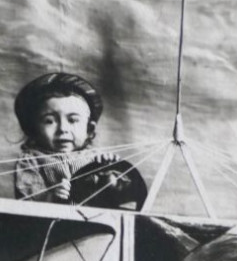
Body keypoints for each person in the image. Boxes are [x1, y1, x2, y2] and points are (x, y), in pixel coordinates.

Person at [13, 72, 147, 210]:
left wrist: (113, 172)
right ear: (32, 128)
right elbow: (27, 203)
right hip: (54, 225)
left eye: (73, 120)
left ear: (89, 128)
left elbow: (120, 194)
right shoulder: (30, 161)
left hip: (95, 222)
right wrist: (51, 197)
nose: (63, 129)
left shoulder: (96, 158)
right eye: (49, 121)